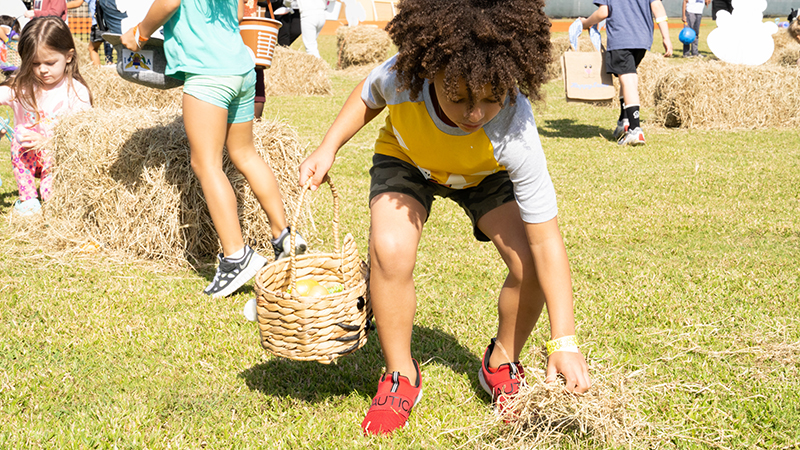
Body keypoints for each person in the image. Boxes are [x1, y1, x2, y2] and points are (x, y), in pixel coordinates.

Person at [299, 0, 591, 436]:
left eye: (490, 99)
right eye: (459, 97)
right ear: (430, 70)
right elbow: (366, 96)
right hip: (408, 159)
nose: (475, 114)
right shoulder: (404, 76)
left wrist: (563, 342)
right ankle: (401, 375)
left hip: (483, 175)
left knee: (528, 263)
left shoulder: (514, 124)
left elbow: (547, 241)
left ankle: (502, 363)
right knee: (390, 250)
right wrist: (328, 147)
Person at [120, 0, 307, 298]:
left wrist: (139, 33)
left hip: (208, 73)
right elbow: (236, 13)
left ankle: (236, 257)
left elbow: (170, 1)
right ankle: (284, 236)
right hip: (241, 69)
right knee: (245, 154)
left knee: (206, 164)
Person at [0, 16, 92, 216]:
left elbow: (84, 133)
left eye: (50, 62)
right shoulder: (23, 86)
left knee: (54, 199)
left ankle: (53, 199)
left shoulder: (75, 91)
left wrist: (46, 141)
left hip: (59, 156)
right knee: (18, 145)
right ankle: (29, 200)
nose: (42, 70)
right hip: (28, 156)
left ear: (68, 56)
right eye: (34, 63)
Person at [580, 0, 673, 146]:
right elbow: (657, 7)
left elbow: (603, 11)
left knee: (628, 80)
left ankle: (635, 129)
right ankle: (624, 121)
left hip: (621, 38)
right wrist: (666, 37)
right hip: (642, 40)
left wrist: (585, 23)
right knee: (626, 77)